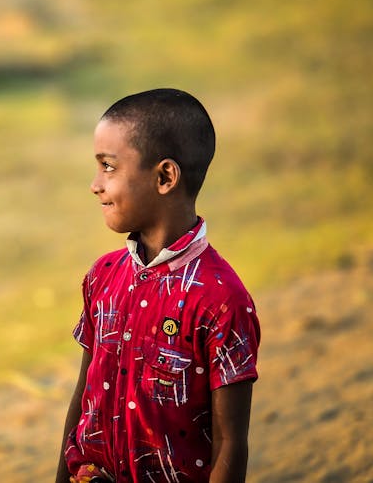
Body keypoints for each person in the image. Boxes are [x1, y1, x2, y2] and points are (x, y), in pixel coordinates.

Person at [55, 88, 260, 483]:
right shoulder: (102, 276)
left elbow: (230, 443)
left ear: (165, 177)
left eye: (108, 167)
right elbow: (82, 399)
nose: (95, 184)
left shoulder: (222, 301)